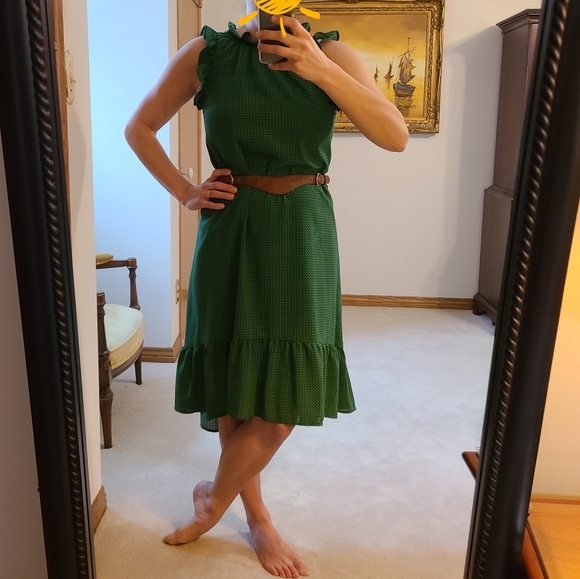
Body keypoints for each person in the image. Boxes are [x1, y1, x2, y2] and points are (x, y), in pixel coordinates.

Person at [125, 2, 408, 577]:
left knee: (282, 406)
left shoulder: (331, 52)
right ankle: (258, 519)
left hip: (303, 226)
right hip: (230, 225)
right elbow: (140, 127)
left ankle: (213, 499)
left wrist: (318, 67)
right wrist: (185, 190)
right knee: (235, 382)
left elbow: (395, 135)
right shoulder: (208, 54)